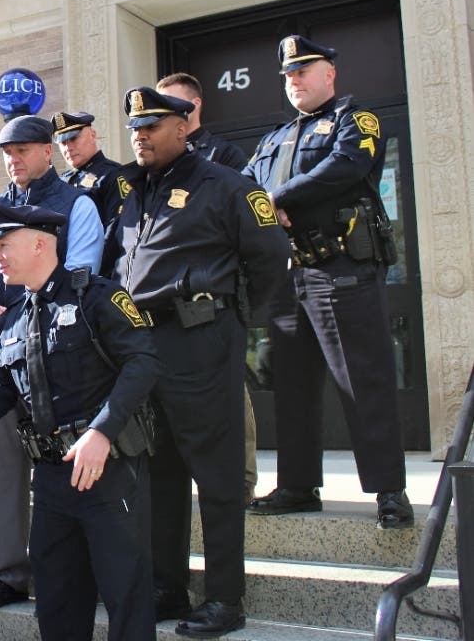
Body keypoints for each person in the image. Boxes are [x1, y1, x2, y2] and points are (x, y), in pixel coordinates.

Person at [0, 202, 161, 641]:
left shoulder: (99, 297)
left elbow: (143, 363)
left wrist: (102, 431)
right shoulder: (14, 316)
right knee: (57, 602)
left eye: (3, 245)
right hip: (53, 478)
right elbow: (0, 389)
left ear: (40, 243)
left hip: (107, 469)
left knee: (126, 596)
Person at [112, 87, 289, 637]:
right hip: (145, 350)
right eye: (136, 128)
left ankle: (224, 599)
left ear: (184, 126)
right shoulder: (134, 191)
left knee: (215, 475)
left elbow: (271, 260)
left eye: (152, 126)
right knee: (159, 476)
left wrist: (228, 323)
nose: (140, 136)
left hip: (202, 341)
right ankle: (168, 586)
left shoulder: (226, 185)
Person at [243, 35, 413, 529]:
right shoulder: (273, 140)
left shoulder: (355, 120)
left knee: (362, 380)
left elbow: (346, 167)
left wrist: (280, 200)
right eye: (288, 75)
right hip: (290, 274)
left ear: (330, 74)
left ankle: (388, 489)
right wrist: (264, 205)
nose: (294, 81)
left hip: (343, 269)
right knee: (293, 384)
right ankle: (298, 485)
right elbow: (247, 187)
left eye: (303, 71)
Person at [0, 114, 104, 610]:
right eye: (6, 153)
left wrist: (20, 314)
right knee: (5, 468)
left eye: (22, 150)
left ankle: (80, 569)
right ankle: (11, 573)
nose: (13, 160)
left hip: (61, 353)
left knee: (67, 458)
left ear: (47, 151)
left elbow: (80, 273)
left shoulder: (77, 203)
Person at [157, 72, 260, 506]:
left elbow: (246, 228)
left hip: (211, 299)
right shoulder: (156, 165)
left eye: (169, 108)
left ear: (193, 108)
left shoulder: (225, 156)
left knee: (230, 395)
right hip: (165, 307)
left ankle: (243, 479)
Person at [51, 110, 134, 224]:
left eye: (74, 138)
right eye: (63, 143)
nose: (68, 148)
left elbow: (117, 226)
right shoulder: (61, 180)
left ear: (93, 135)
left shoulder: (114, 175)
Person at [156, 73, 248, 168]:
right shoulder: (154, 155)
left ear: (196, 103)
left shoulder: (226, 153)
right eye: (160, 105)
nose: (166, 110)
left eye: (171, 102)